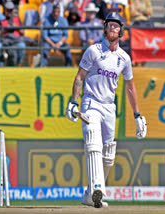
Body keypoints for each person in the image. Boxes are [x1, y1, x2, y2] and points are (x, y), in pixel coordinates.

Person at [65, 12, 147, 208]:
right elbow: (79, 77)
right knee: (93, 139)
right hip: (91, 102)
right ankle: (97, 189)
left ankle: (89, 194)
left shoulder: (124, 58)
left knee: (108, 154)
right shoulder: (93, 51)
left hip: (109, 107)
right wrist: (73, 102)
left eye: (116, 25)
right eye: (109, 24)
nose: (112, 27)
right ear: (105, 28)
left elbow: (129, 87)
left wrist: (137, 115)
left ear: (121, 31)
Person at [0, 1, 26, 67]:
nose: (9, 12)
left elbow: (23, 32)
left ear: (13, 10)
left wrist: (16, 28)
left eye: (10, 10)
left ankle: (19, 63)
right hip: (5, 40)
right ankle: (1, 65)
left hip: (15, 40)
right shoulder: (1, 19)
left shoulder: (17, 19)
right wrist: (4, 29)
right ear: (5, 10)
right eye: (7, 10)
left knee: (22, 45)